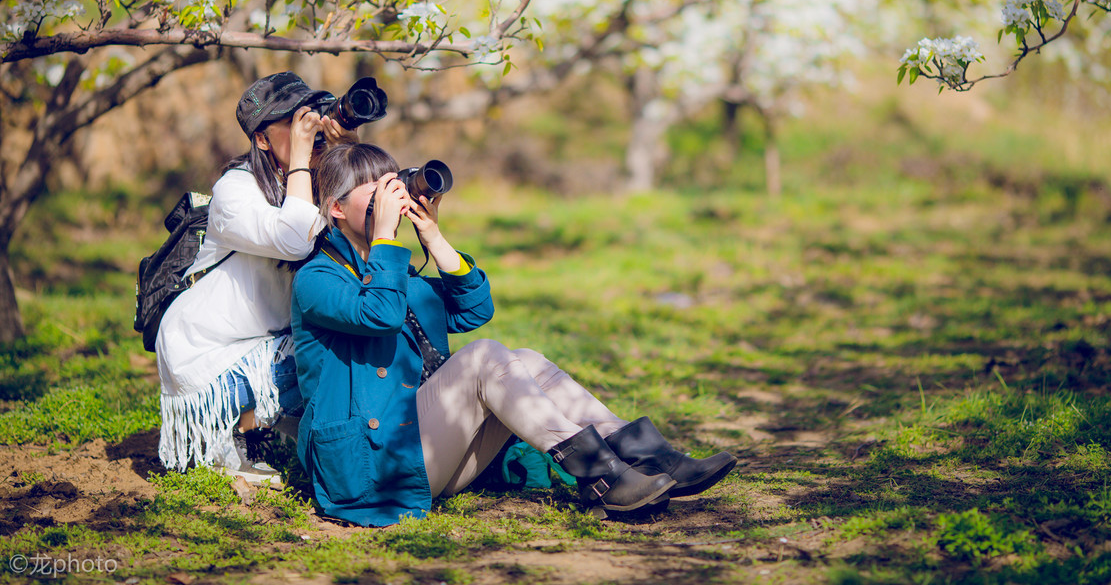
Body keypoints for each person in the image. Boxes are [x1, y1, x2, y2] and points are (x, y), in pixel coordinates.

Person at [291, 143, 737, 527]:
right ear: (335, 207)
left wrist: (432, 235)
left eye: (393, 187)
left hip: (421, 452)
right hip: (370, 471)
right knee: (484, 358)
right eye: (375, 192)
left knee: (527, 358)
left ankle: (650, 458)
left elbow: (474, 309)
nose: (389, 200)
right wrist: (388, 237)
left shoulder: (393, 269)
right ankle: (600, 477)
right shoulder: (317, 280)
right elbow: (381, 314)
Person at [156, 71, 357, 482]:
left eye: (314, 115)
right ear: (262, 139)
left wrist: (347, 152)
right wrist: (302, 158)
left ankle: (261, 428)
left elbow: (364, 226)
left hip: (263, 342)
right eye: (295, 122)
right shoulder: (236, 189)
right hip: (207, 358)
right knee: (340, 342)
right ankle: (225, 430)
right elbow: (295, 239)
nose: (311, 128)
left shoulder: (309, 180)